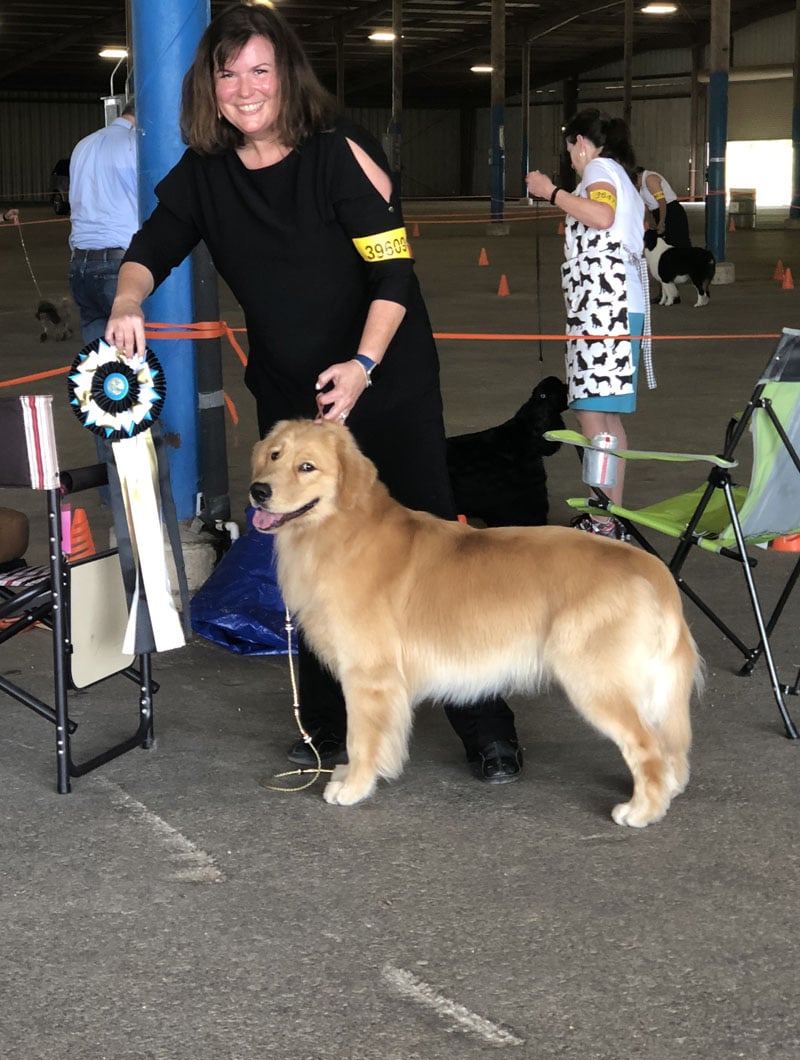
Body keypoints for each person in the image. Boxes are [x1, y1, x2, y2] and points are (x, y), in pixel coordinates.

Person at [105, 1, 522, 784]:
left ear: (286, 75)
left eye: (259, 69)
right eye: (227, 73)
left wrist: (362, 366)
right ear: (209, 87)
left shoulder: (340, 154)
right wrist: (129, 300)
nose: (244, 87)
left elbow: (394, 271)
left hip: (383, 377)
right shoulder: (205, 174)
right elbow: (149, 248)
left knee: (433, 546)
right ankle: (331, 727)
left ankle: (485, 722)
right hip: (294, 400)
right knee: (311, 560)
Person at [526, 108, 654, 538]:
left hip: (606, 308)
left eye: (570, 148)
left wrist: (550, 192)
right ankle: (608, 513)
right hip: (611, 306)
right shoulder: (619, 174)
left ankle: (603, 520)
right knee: (605, 417)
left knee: (592, 417)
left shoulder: (599, 168)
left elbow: (601, 217)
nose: (570, 156)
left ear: (580, 142)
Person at [68, 99, 138, 344]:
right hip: (121, 266)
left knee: (98, 363)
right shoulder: (136, 145)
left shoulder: (83, 145)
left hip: (80, 264)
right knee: (136, 361)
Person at [635, 166, 691, 248]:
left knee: (679, 243)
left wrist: (662, 221)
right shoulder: (642, 186)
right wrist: (645, 222)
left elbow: (662, 202)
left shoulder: (650, 179)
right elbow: (646, 207)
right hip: (660, 213)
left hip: (671, 212)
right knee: (668, 245)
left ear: (637, 175)